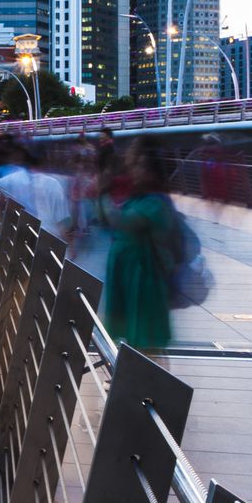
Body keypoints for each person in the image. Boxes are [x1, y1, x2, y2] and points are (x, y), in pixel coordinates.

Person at [102, 144, 179, 352]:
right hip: (129, 274)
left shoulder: (156, 202)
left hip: (145, 277)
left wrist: (101, 193)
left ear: (153, 172)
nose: (133, 171)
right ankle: (134, 377)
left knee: (147, 341)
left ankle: (149, 381)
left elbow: (124, 221)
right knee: (134, 339)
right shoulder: (137, 198)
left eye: (139, 166)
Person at [0, 137, 75, 244]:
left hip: (21, 235)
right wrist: (70, 246)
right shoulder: (53, 184)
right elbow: (62, 220)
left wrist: (9, 207)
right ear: (46, 160)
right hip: (47, 238)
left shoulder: (12, 179)